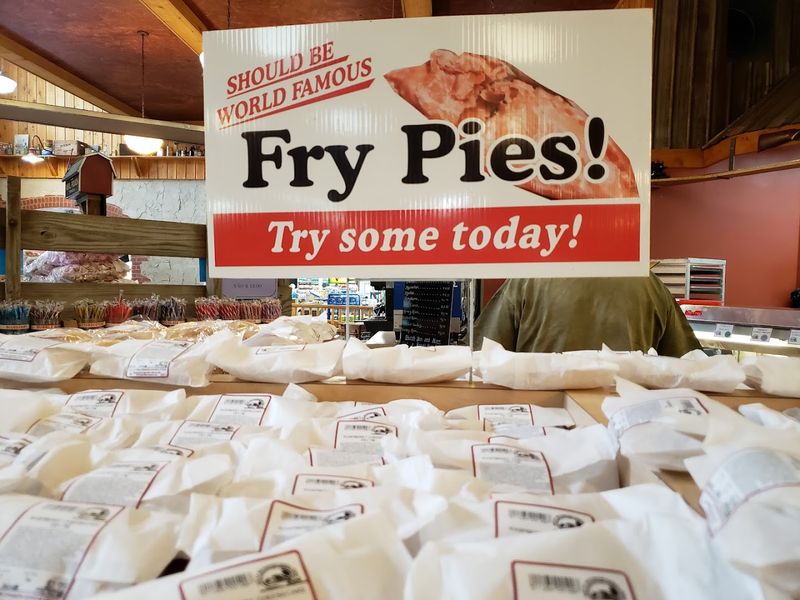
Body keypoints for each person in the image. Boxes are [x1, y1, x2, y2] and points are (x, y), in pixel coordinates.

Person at [474, 273, 701, 358]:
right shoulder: (650, 284)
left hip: (542, 423)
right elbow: (687, 364)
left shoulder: (527, 279)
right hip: (623, 423)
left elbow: (482, 357)